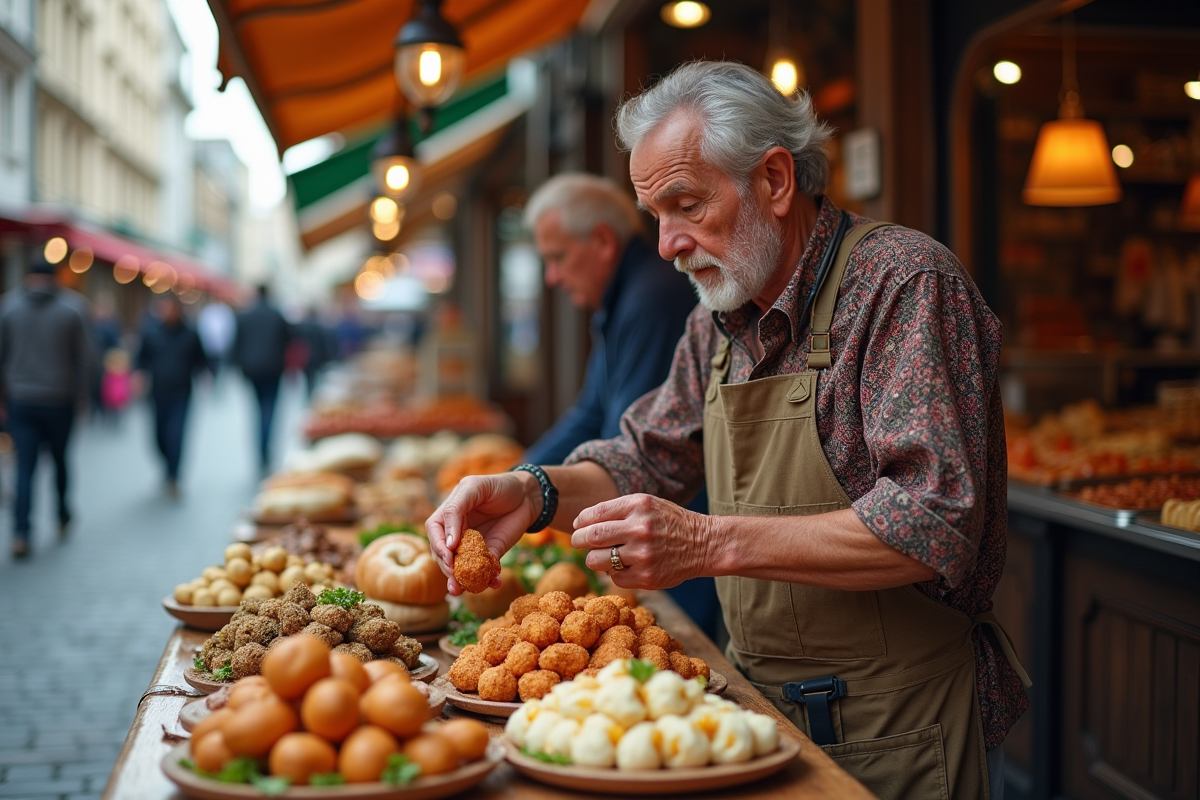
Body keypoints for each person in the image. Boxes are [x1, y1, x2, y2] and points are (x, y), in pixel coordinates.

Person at [427, 62, 1028, 800]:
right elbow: (646, 457)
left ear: (774, 180)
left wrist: (710, 543)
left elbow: (933, 522)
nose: (666, 244)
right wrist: (534, 491)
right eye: (654, 215)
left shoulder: (903, 284)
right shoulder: (714, 322)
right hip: (753, 715)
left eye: (685, 205)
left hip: (905, 725)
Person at [521, 173, 721, 639]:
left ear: (603, 240)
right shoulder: (624, 298)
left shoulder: (652, 297)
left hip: (683, 549)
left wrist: (530, 491)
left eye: (557, 258)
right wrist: (521, 481)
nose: (552, 276)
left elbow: (633, 449)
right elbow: (593, 417)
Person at [0, 253, 93, 558]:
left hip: (21, 400)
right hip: (60, 399)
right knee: (60, 459)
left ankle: (21, 533)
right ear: (56, 277)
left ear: (28, 276)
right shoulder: (73, 308)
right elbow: (85, 360)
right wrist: (83, 398)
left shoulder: (9, 308)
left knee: (24, 466)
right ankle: (62, 514)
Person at [135, 294, 210, 498]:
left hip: (182, 393)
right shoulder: (151, 332)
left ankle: (174, 477)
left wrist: (206, 375)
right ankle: (167, 466)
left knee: (176, 436)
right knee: (158, 437)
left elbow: (201, 359)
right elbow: (140, 358)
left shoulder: (190, 333)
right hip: (157, 393)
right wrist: (139, 376)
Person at [231, 285, 292, 474]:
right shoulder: (277, 315)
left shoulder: (244, 316)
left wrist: (239, 367)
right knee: (270, 410)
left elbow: (236, 345)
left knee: (257, 410)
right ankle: (265, 449)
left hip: (252, 370)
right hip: (273, 369)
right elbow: (289, 340)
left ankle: (261, 450)